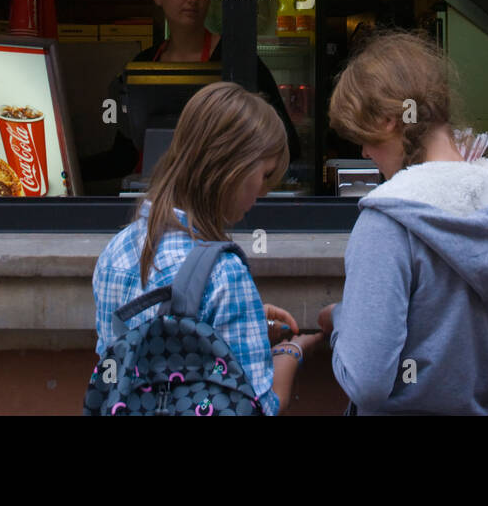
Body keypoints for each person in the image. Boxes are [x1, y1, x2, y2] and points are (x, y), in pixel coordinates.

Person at [317, 30, 488, 414]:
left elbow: (367, 383)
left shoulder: (387, 222)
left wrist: (340, 320)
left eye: (363, 135)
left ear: (389, 120)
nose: (363, 151)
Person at [91, 81, 321, 415]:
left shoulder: (118, 251)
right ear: (232, 169)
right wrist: (292, 354)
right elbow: (258, 406)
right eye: (265, 174)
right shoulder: (224, 274)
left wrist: (248, 321)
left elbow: (121, 365)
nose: (264, 192)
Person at [80, 0, 301, 190]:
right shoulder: (142, 65)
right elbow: (123, 158)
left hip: (218, 199)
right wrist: (70, 170)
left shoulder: (238, 61)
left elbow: (286, 144)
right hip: (155, 197)